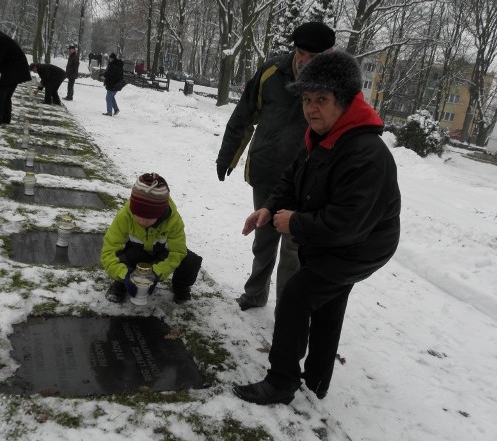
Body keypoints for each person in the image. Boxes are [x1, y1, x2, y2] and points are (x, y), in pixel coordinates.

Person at [232, 51, 401, 406]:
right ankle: (318, 379)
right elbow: (292, 178)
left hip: (363, 245)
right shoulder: (320, 136)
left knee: (297, 295)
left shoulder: (365, 152)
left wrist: (293, 221)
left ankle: (281, 382)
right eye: (307, 100)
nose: (311, 108)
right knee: (329, 300)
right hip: (342, 236)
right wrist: (268, 208)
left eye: (321, 100)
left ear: (345, 100)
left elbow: (345, 225)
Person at [216, 22, 336, 312]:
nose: (305, 61)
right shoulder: (271, 72)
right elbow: (244, 113)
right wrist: (227, 155)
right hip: (267, 170)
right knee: (263, 239)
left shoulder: (332, 86)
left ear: (328, 53)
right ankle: (255, 294)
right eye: (301, 52)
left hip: (305, 182)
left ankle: (289, 308)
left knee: (294, 250)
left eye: (314, 56)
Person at [101, 173, 203, 304]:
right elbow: (109, 251)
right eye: (137, 215)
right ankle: (121, 284)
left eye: (149, 217)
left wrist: (156, 273)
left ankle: (181, 287)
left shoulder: (174, 221)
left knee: (190, 260)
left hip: (160, 255)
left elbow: (177, 252)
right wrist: (124, 274)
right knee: (127, 255)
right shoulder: (124, 217)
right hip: (136, 255)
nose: (142, 222)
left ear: (160, 213)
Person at [102, 52, 124, 116]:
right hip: (116, 84)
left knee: (108, 98)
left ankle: (109, 112)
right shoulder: (117, 65)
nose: (109, 59)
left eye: (110, 58)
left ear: (113, 58)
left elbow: (110, 75)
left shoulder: (114, 66)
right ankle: (116, 109)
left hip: (113, 84)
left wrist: (105, 74)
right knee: (111, 97)